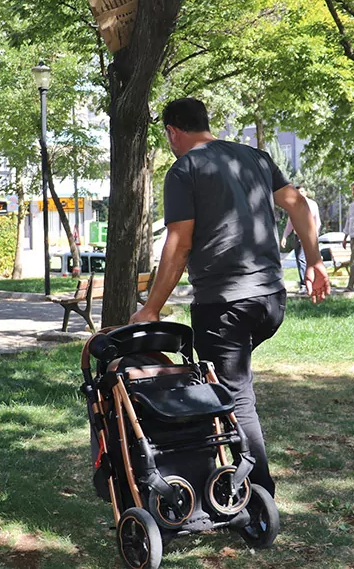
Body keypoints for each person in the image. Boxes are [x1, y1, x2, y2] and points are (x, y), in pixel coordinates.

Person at [130, 97, 330, 498]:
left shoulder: (184, 168)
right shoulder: (254, 158)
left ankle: (258, 493)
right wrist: (314, 261)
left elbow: (179, 243)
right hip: (271, 301)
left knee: (234, 393)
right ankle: (219, 466)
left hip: (225, 304)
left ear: (173, 131)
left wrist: (151, 308)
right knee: (221, 380)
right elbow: (297, 204)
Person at [280, 185, 321, 294]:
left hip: (308, 236)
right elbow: (290, 223)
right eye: (298, 192)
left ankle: (309, 283)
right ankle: (305, 284)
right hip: (297, 236)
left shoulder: (312, 204)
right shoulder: (293, 205)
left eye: (302, 191)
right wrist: (284, 236)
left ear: (306, 193)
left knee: (307, 259)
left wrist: (314, 236)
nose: (300, 194)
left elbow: (317, 222)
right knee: (300, 260)